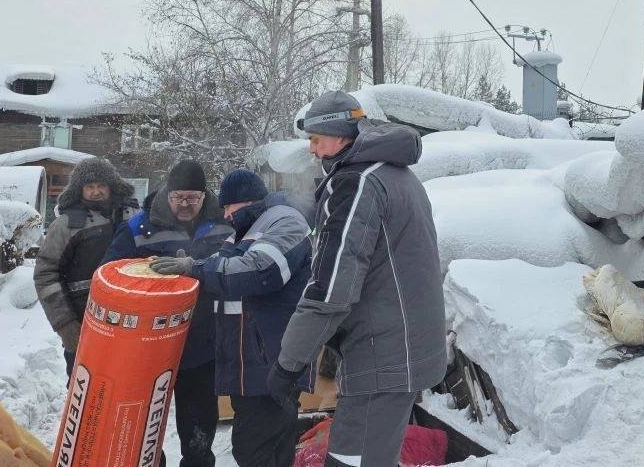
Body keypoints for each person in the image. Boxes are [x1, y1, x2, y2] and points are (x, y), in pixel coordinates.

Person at [268, 91, 447, 467]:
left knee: (351, 461)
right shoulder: (396, 173)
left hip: (382, 357)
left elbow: (331, 289)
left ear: (339, 136)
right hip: (402, 349)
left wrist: (289, 363)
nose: (313, 150)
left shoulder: (355, 183)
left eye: (316, 139)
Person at [151, 168, 314, 467]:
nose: (225, 214)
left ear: (248, 201)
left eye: (229, 207)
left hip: (269, 361)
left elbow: (259, 270)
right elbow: (220, 266)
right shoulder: (247, 230)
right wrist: (190, 270)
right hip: (250, 364)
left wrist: (194, 268)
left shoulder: (285, 222)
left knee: (253, 447)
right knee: (269, 447)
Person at [101, 160, 231, 467]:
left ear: (204, 195)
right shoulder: (139, 227)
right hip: (149, 346)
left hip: (202, 344)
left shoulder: (225, 224)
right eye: (178, 198)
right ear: (167, 194)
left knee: (199, 431)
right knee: (142, 427)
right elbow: (110, 274)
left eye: (192, 198)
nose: (185, 205)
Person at [34, 157, 136, 378]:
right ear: (79, 190)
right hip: (83, 326)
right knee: (85, 393)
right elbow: (45, 276)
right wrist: (67, 326)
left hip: (130, 326)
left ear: (112, 187)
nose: (96, 192)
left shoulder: (133, 219)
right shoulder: (66, 225)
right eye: (90, 187)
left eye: (101, 186)